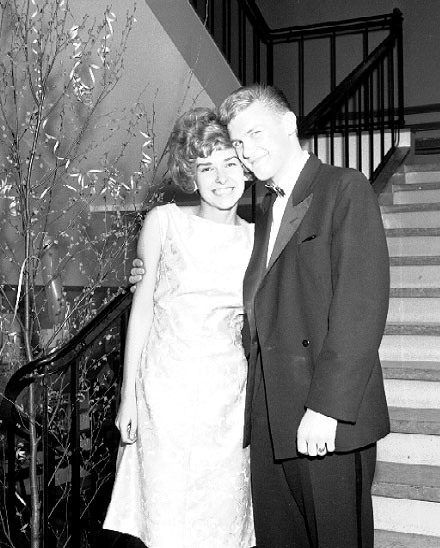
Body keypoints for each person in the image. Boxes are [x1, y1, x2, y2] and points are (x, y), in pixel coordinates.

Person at [131, 84, 390, 548]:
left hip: (324, 415)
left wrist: (327, 409)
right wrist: (151, 278)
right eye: (240, 142)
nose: (248, 151)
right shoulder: (267, 211)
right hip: (269, 419)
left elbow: (361, 310)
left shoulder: (344, 188)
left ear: (289, 124)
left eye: (255, 134)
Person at [103, 107, 256, 548]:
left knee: (221, 518)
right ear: (191, 174)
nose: (221, 178)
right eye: (206, 167)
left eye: (230, 163)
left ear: (247, 167)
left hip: (228, 399)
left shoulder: (259, 239)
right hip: (164, 393)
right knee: (164, 518)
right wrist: (128, 397)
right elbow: (142, 311)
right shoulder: (163, 222)